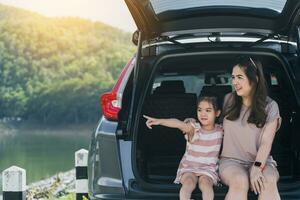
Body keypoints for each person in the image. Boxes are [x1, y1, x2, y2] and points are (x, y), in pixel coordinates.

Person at [219, 56, 282, 200]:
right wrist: (191, 123)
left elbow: (266, 142)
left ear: (255, 79)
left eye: (240, 77)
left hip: (262, 160)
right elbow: (211, 122)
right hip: (230, 161)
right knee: (239, 181)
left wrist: (257, 167)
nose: (235, 82)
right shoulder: (228, 100)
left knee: (267, 182)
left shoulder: (271, 106)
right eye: (233, 77)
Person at [144, 96, 223, 200]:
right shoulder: (194, 128)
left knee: (206, 184)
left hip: (208, 169)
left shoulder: (220, 130)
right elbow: (177, 123)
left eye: (208, 110)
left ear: (217, 113)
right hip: (189, 167)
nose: (203, 114)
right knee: (188, 183)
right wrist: (159, 121)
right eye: (200, 110)